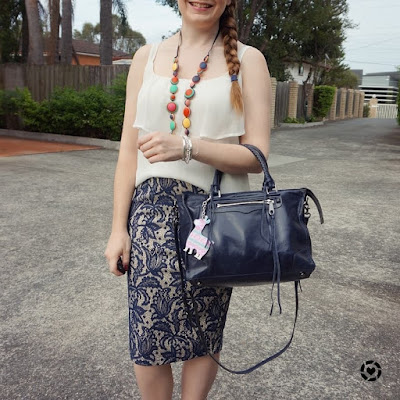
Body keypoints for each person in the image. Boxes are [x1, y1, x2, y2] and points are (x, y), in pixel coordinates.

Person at [104, 1, 271, 398]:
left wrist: (188, 146)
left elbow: (257, 157)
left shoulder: (249, 61)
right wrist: (116, 229)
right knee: (148, 342)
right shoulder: (146, 58)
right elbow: (129, 151)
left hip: (215, 221)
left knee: (204, 333)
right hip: (149, 215)